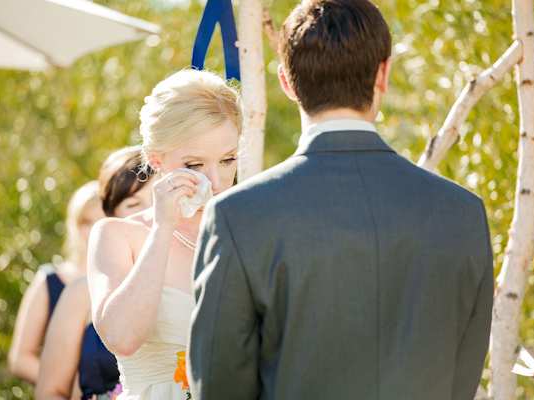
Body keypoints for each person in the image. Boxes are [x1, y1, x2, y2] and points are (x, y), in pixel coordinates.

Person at [187, 0, 494, 399]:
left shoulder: (237, 216)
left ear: (286, 81)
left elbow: (218, 387)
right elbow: (462, 379)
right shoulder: (463, 213)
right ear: (383, 73)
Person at [86, 69, 242, 400]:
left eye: (228, 160)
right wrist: (163, 228)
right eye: (196, 164)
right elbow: (122, 338)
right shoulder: (117, 234)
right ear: (157, 160)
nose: (215, 179)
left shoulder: (250, 231)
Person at [36, 146, 155, 400]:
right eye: (134, 204)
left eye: (158, 201)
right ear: (111, 215)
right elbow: (50, 392)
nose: (151, 214)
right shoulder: (80, 293)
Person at [9, 180, 105, 384]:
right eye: (86, 221)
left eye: (103, 220)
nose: (95, 229)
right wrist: (65, 387)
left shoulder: (128, 278)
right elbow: (20, 358)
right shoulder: (49, 280)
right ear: (74, 225)